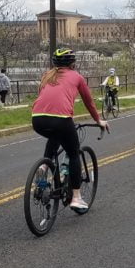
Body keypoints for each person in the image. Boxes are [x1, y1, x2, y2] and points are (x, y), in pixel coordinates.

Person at [31, 48, 109, 212]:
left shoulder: (47, 75)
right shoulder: (77, 77)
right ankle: (76, 197)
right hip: (61, 120)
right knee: (74, 154)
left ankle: (43, 168)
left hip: (37, 119)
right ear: (73, 63)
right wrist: (98, 120)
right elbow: (89, 102)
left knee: (55, 136)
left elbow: (43, 96)